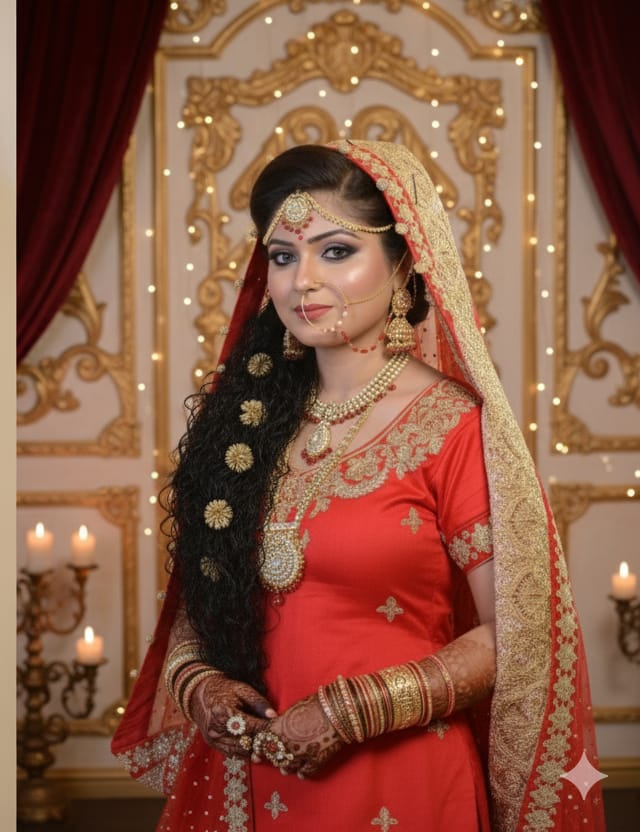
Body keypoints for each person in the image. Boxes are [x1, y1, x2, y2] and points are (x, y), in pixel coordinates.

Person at [112, 141, 604, 831]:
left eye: (336, 250)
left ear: (403, 263)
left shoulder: (455, 427)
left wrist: (354, 710)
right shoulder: (248, 418)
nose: (301, 281)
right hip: (248, 779)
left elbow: (511, 633)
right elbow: (205, 596)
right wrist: (202, 685)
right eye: (283, 256)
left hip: (402, 778)